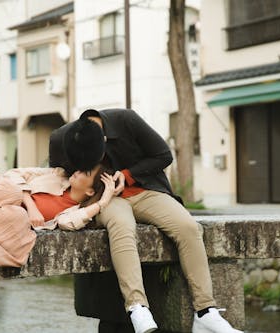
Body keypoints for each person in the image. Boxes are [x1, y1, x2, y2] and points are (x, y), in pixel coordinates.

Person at [49, 109, 243, 333]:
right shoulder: (60, 139)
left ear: (104, 140)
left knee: (188, 227)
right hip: (105, 199)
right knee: (122, 226)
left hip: (144, 191)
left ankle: (205, 312)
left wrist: (127, 174)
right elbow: (56, 178)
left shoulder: (126, 120)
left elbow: (164, 155)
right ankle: (137, 307)